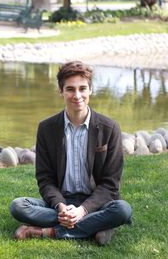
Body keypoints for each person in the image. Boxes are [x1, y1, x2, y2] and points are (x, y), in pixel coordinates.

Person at [10, 61, 132, 245]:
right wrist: (61, 207)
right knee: (18, 206)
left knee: (122, 210)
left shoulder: (110, 128)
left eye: (82, 88)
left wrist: (82, 210)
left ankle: (48, 231)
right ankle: (97, 227)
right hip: (61, 201)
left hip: (96, 202)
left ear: (90, 90)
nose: (77, 95)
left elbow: (110, 184)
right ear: (61, 91)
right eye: (70, 89)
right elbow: (45, 179)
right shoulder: (46, 128)